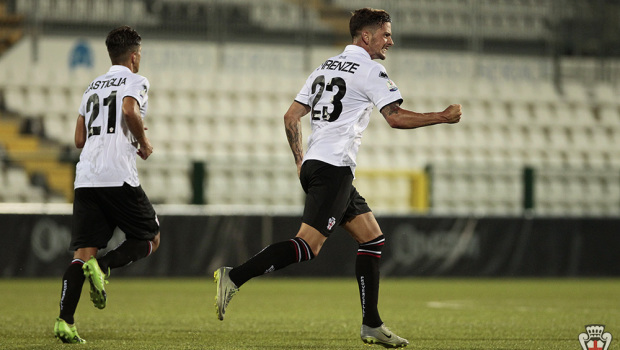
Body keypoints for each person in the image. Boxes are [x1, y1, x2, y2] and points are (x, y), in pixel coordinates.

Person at [214, 7, 461, 348]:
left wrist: (301, 160)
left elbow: (291, 117)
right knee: (306, 247)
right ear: (367, 36)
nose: (390, 40)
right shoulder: (371, 71)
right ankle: (234, 276)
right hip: (334, 169)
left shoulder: (325, 66)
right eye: (385, 34)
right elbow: (395, 117)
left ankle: (372, 324)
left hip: (317, 163)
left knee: (372, 239)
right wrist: (442, 117)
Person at [54, 25, 161, 344]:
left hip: (86, 175)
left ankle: (64, 321)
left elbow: (78, 139)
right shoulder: (136, 80)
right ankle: (103, 266)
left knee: (80, 253)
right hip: (117, 174)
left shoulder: (91, 87)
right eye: (139, 53)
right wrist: (143, 141)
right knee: (151, 237)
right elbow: (129, 109)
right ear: (133, 55)